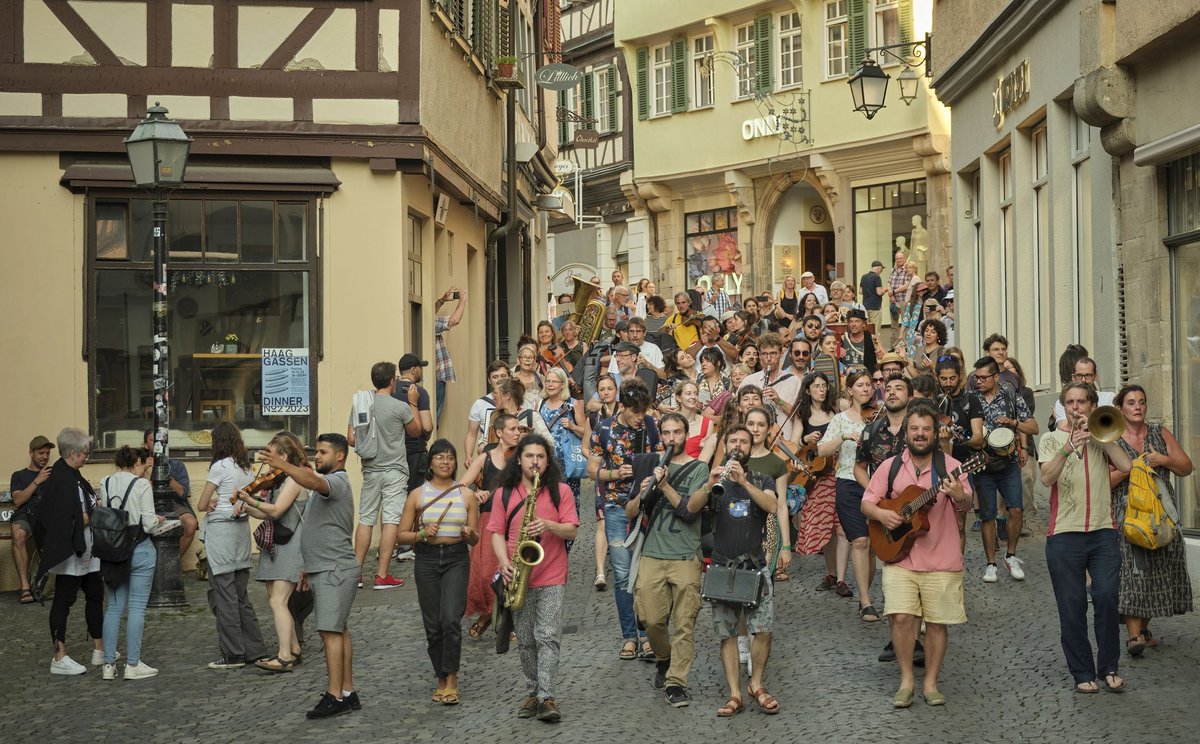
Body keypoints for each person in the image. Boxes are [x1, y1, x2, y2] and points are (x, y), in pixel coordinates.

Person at [860, 404, 972, 708]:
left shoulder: (952, 466)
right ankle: (906, 680)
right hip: (900, 556)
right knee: (900, 618)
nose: (920, 434)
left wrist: (959, 496)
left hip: (941, 558)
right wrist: (883, 515)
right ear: (906, 434)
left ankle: (931, 683)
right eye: (914, 429)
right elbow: (867, 503)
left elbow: (966, 505)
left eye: (926, 429)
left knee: (936, 623)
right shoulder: (891, 467)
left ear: (935, 434)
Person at [1038, 383, 1133, 694]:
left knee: (1106, 597)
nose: (1076, 408)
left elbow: (1126, 466)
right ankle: (1081, 671)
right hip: (1064, 534)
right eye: (1070, 402)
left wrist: (1101, 438)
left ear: (1092, 406)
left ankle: (1109, 667)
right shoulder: (1051, 439)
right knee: (1072, 605)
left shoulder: (1103, 434)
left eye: (1081, 402)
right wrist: (1068, 446)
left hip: (1103, 531)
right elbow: (1046, 478)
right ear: (1064, 407)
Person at [263, 433, 363, 718]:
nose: (317, 456)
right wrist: (308, 564)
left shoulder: (336, 481)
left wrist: (283, 466)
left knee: (330, 631)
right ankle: (347, 693)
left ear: (340, 456)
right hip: (325, 566)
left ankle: (334, 696)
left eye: (323, 452)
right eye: (316, 451)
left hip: (334, 569)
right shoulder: (328, 483)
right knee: (339, 629)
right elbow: (320, 527)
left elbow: (314, 482)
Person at [491, 434, 579, 722]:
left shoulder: (561, 491)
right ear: (519, 460)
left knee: (548, 636)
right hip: (518, 575)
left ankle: (546, 696)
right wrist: (504, 563)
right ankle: (533, 690)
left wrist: (549, 525)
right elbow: (496, 533)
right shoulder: (505, 493)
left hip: (552, 573)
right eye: (529, 456)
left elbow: (572, 530)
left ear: (548, 461)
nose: (535, 462)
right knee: (527, 640)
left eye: (541, 457)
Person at [626, 412, 710, 707]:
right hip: (652, 553)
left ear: (686, 435)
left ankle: (676, 683)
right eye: (666, 433)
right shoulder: (650, 464)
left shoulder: (699, 468)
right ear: (660, 436)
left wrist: (664, 486)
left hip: (685, 555)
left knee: (684, 623)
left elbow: (688, 510)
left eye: (677, 432)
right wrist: (644, 492)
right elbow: (630, 512)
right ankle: (664, 658)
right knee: (651, 620)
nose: (671, 438)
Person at [1107, 385, 1194, 656]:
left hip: (1159, 513)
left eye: (1142, 402)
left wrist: (1162, 459)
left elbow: (1186, 467)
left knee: (1158, 570)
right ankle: (1134, 636)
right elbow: (1104, 482)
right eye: (1131, 402)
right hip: (1127, 513)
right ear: (1121, 407)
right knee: (1132, 571)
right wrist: (1130, 467)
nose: (1137, 407)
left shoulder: (1159, 433)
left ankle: (1144, 629)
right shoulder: (1111, 437)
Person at [708, 425, 784, 717]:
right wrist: (708, 484)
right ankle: (734, 693)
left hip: (755, 567)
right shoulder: (716, 479)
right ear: (725, 446)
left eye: (743, 442)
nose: (737, 445)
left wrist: (744, 482)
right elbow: (695, 508)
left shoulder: (762, 478)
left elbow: (772, 505)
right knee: (727, 634)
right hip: (722, 566)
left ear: (751, 449)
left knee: (763, 630)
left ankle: (756, 684)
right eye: (733, 441)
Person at [397, 439, 479, 706]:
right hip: (427, 559)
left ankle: (452, 679)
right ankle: (441, 677)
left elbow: (476, 538)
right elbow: (401, 535)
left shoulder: (466, 495)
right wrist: (421, 534)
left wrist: (468, 533)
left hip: (456, 558)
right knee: (433, 625)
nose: (445, 462)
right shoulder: (417, 495)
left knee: (450, 619)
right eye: (440, 457)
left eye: (450, 457)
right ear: (430, 463)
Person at [588, 378, 662, 660]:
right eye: (635, 412)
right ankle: (630, 636)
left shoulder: (651, 425)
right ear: (622, 406)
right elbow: (592, 470)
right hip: (616, 507)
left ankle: (646, 635)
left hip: (646, 506)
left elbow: (661, 458)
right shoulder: (604, 429)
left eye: (644, 411)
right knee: (622, 575)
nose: (640, 417)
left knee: (645, 573)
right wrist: (614, 474)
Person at [234, 432, 310, 673]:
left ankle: (284, 657)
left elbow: (276, 510)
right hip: (276, 545)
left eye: (270, 455)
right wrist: (246, 507)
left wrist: (250, 500)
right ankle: (294, 649)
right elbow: (266, 513)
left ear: (284, 456)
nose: (265, 461)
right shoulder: (279, 479)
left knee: (279, 601)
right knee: (277, 601)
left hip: (291, 546)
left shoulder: (295, 479)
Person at [197, 422, 268, 670]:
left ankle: (233, 653)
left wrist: (212, 502)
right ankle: (255, 649)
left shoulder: (220, 466)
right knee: (241, 596)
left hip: (222, 534)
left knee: (224, 596)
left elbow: (202, 503)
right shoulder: (246, 467)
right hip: (240, 532)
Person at [34, 428, 103, 675]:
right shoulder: (62, 480)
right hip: (71, 551)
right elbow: (65, 518)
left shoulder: (73, 474)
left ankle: (99, 649)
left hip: (87, 549)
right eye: (85, 453)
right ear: (73, 453)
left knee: (95, 594)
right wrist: (93, 514)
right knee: (64, 600)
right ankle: (59, 656)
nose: (87, 457)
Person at [349, 361, 422, 590]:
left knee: (366, 518)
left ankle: (356, 574)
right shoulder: (399, 406)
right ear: (392, 381)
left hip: (371, 469)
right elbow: (416, 431)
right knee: (391, 520)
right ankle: (381, 575)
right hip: (395, 470)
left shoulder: (362, 403)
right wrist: (413, 403)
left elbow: (351, 438)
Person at [99, 445, 164, 680]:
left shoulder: (105, 482)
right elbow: (148, 523)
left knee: (114, 607)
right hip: (139, 548)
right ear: (136, 463)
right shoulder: (142, 485)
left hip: (113, 551)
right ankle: (133, 664)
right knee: (136, 608)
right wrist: (159, 520)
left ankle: (108, 665)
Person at [972, 356, 1038, 582]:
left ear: (996, 376)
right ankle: (990, 564)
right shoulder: (971, 399)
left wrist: (1014, 424)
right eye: (976, 378)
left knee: (1016, 509)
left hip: (1008, 463)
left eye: (983, 377)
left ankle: (1011, 555)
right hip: (982, 464)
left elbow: (1034, 427)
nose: (979, 381)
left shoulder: (1012, 397)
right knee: (988, 515)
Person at [461, 413, 521, 636]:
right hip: (489, 519)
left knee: (512, 570)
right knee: (486, 573)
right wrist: (475, 494)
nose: (517, 433)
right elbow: (461, 486)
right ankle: (488, 613)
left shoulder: (522, 456)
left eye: (519, 429)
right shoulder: (485, 458)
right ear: (499, 433)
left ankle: (507, 622)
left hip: (514, 520)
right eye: (513, 429)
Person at [797, 372, 849, 591]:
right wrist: (805, 439)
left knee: (842, 528)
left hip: (841, 471)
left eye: (824, 386)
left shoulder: (837, 409)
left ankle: (842, 579)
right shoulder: (803, 415)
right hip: (819, 477)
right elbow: (795, 445)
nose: (821, 390)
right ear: (808, 390)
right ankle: (831, 573)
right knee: (826, 528)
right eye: (816, 386)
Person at [744, 407, 793, 582]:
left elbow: (781, 506)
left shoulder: (777, 463)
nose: (755, 429)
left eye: (761, 425)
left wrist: (786, 546)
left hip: (767, 533)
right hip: (737, 529)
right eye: (750, 424)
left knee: (762, 586)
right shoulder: (732, 458)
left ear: (769, 428)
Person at [539, 367, 590, 521]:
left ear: (562, 385)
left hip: (567, 464)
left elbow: (586, 433)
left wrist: (573, 427)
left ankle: (568, 532)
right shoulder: (539, 404)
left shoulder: (573, 404)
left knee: (569, 504)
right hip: (545, 462)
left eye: (554, 381)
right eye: (548, 381)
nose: (550, 384)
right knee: (546, 501)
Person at [11, 435, 54, 604]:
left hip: (46, 517)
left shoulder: (53, 474)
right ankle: (25, 587)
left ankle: (50, 585)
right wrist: (37, 481)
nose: (45, 457)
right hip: (26, 515)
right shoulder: (19, 475)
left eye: (47, 453)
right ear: (31, 453)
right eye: (41, 453)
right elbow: (18, 501)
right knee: (18, 533)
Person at [142, 429, 196, 558]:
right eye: (153, 441)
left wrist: (164, 473)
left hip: (172, 504)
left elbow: (183, 493)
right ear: (146, 445)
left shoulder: (176, 465)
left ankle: (173, 561)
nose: (158, 444)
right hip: (146, 504)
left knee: (191, 523)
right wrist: (144, 469)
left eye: (161, 441)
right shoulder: (138, 463)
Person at [742, 332, 802, 441]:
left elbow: (801, 416)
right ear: (759, 355)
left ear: (781, 353)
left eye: (773, 353)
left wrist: (779, 401)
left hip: (786, 442)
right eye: (765, 354)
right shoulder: (749, 381)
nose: (769, 358)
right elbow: (739, 412)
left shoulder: (794, 381)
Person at [396, 352, 435, 496]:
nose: (421, 371)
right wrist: (427, 435)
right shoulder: (419, 392)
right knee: (415, 496)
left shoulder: (390, 390)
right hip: (415, 454)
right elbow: (427, 426)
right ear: (413, 370)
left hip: (394, 454)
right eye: (420, 368)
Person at [465, 360, 511, 463]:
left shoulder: (519, 401)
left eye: (503, 376)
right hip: (488, 453)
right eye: (495, 377)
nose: (499, 380)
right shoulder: (480, 404)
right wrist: (468, 456)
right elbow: (472, 433)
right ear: (489, 380)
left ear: (509, 377)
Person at [433, 286, 467, 422]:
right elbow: (454, 320)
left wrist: (442, 300)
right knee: (434, 416)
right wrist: (462, 300)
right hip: (436, 376)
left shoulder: (426, 319)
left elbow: (427, 314)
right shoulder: (432, 323)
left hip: (435, 375)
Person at [1053, 356, 1115, 428]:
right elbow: (1063, 428)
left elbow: (1112, 427)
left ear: (1095, 376)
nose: (1083, 380)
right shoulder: (1062, 402)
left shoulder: (1109, 397)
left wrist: (1090, 426)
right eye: (1079, 375)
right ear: (1073, 377)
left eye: (1088, 375)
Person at [840, 309, 879, 373]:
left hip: (867, 374)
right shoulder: (842, 338)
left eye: (857, 321)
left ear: (864, 324)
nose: (853, 324)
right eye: (851, 321)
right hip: (846, 374)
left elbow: (883, 357)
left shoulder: (872, 338)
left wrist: (879, 354)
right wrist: (837, 351)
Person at [887, 252, 911, 344]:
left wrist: (893, 292)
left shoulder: (907, 269)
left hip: (903, 300)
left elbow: (906, 286)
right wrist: (891, 295)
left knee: (906, 323)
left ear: (904, 258)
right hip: (893, 301)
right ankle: (894, 345)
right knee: (894, 324)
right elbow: (889, 283)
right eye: (897, 258)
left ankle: (906, 345)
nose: (899, 260)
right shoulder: (893, 270)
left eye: (901, 258)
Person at [860, 259, 886, 330]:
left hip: (865, 306)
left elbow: (860, 291)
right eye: (881, 270)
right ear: (878, 268)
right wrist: (885, 290)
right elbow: (879, 292)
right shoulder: (877, 277)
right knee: (875, 329)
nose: (881, 272)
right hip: (875, 307)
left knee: (867, 328)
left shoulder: (864, 276)